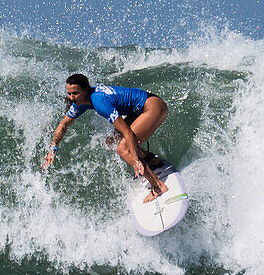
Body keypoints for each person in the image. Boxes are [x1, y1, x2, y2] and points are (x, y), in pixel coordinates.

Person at [42, 73, 170, 203]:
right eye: (69, 93)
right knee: (112, 141)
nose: (71, 97)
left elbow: (127, 132)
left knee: (123, 149)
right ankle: (150, 160)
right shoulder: (80, 103)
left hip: (152, 107)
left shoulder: (99, 101)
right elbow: (63, 125)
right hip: (141, 109)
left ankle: (157, 186)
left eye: (75, 93)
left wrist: (136, 160)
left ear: (86, 90)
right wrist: (53, 148)